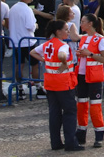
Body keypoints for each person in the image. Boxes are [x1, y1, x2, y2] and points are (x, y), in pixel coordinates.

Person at [30, 20, 84, 152]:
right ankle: (71, 143)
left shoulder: (47, 44)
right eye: (66, 29)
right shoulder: (63, 45)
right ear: (58, 32)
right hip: (64, 83)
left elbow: (33, 52)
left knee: (54, 113)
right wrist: (64, 61)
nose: (67, 31)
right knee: (70, 112)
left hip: (50, 82)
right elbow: (61, 55)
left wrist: (45, 60)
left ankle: (55, 143)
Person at [75, 14, 104, 148]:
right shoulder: (83, 39)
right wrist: (80, 54)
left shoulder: (100, 39)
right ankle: (80, 136)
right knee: (81, 106)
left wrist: (90, 54)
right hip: (82, 76)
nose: (81, 24)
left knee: (95, 107)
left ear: (90, 24)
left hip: (94, 78)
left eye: (83, 22)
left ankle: (99, 136)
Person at [9, 0, 38, 98]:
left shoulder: (13, 8)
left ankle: (20, 88)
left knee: (19, 64)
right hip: (28, 41)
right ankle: (38, 87)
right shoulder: (27, 9)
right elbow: (30, 26)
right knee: (35, 65)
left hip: (16, 41)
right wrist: (36, 25)